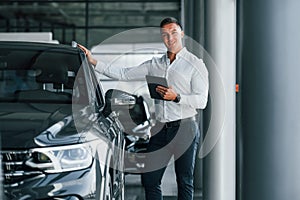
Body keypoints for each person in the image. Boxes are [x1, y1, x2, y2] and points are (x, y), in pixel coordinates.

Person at [78, 17, 209, 200]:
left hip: (185, 128)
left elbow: (202, 101)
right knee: (150, 180)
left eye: (173, 33)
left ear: (181, 34)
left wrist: (177, 97)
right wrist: (93, 61)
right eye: (165, 34)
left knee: (184, 181)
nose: (169, 38)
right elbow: (123, 73)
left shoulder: (196, 64)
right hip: (160, 129)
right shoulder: (154, 64)